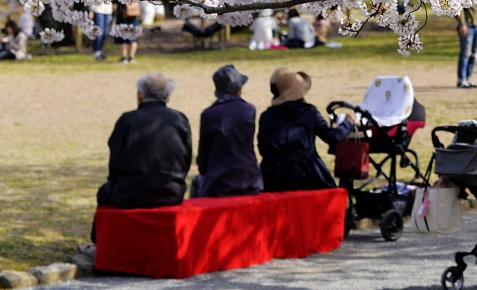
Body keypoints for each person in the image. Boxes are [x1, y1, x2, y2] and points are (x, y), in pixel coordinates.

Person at [96, 73, 193, 209]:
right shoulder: (179, 119)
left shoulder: (127, 120)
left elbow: (115, 159)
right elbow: (185, 158)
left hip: (130, 193)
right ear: (168, 98)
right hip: (171, 192)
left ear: (139, 95)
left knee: (103, 193)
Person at [258, 66, 353, 191]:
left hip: (273, 177)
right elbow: (333, 137)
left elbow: (262, 148)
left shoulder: (266, 116)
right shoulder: (309, 112)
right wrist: (348, 122)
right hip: (307, 175)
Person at [195, 64, 262, 198]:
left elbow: (203, 154)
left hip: (218, 180)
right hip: (249, 176)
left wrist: (203, 169)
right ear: (239, 88)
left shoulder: (209, 114)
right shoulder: (249, 110)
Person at [456, 1, 477, 89]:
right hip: (468, 26)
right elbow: (459, 9)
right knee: (466, 53)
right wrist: (463, 25)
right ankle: (462, 79)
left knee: (473, 54)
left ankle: (468, 77)